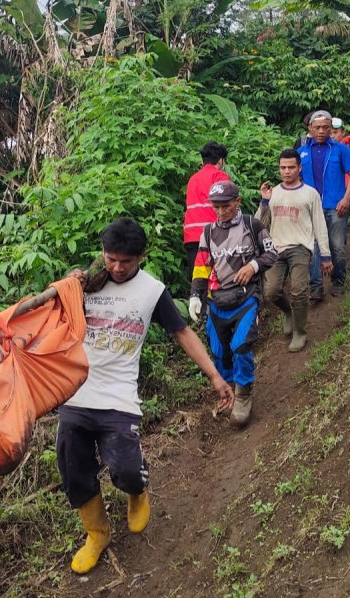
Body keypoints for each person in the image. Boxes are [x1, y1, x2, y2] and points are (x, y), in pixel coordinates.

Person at [60, 218, 234, 575]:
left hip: (119, 396)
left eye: (127, 261)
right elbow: (54, 318)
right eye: (111, 259)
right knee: (73, 468)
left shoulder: (152, 291)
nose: (118, 268)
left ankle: (137, 491)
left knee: (125, 468)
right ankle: (97, 533)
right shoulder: (87, 282)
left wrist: (215, 376)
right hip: (77, 393)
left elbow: (182, 333)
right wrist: (72, 282)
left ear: (141, 256)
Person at [188, 181, 278, 427]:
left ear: (237, 202)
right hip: (216, 300)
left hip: (246, 297)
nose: (220, 212)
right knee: (219, 351)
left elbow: (272, 253)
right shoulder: (208, 232)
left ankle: (243, 393)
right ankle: (227, 389)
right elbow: (202, 265)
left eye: (225, 206)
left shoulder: (252, 225)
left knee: (241, 345)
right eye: (216, 207)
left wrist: (253, 266)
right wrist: (196, 294)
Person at [256, 149, 332, 352]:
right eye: (283, 168)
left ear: (299, 168)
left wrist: (325, 255)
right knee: (271, 291)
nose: (287, 171)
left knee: (299, 290)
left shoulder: (310, 193)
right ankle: (288, 311)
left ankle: (299, 331)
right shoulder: (273, 194)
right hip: (275, 248)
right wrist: (264, 200)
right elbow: (259, 223)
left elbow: (319, 225)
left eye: (291, 167)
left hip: (300, 246)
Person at [298, 111, 350, 299]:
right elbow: (293, 178)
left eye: (326, 127)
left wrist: (347, 199)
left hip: (336, 206)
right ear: (310, 128)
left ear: (330, 129)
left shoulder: (340, 149)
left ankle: (338, 280)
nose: (321, 131)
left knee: (337, 246)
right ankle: (316, 287)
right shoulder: (302, 152)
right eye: (317, 127)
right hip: (310, 209)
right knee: (312, 248)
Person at [183, 142, 230, 277]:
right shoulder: (219, 177)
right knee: (218, 279)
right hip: (214, 235)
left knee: (198, 280)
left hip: (192, 236)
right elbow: (228, 207)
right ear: (220, 161)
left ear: (203, 160)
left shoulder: (193, 179)